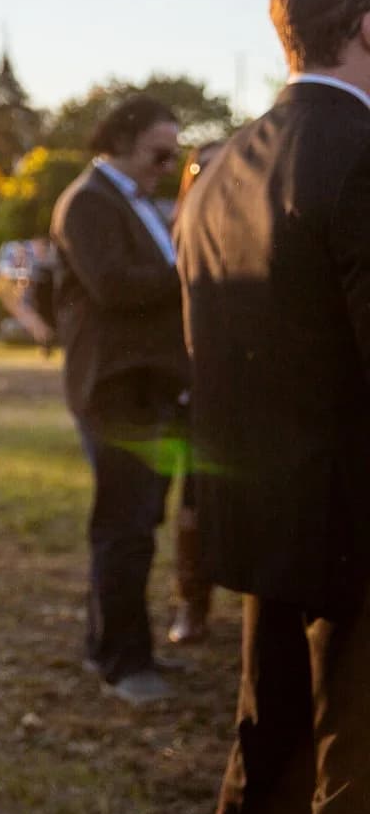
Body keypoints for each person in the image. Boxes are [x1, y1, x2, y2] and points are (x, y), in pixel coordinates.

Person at [182, 0, 370, 814]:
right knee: (355, 782)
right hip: (355, 522)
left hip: (266, 516)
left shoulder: (218, 166)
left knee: (270, 746)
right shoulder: (361, 152)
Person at [50, 94, 186, 705]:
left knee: (139, 522)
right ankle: (124, 663)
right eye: (162, 151)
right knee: (124, 526)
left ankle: (109, 644)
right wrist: (195, 268)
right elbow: (112, 286)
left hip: (148, 386)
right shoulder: (87, 203)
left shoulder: (136, 204)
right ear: (127, 137)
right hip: (113, 387)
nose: (168, 164)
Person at [165, 139, 225, 645]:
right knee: (195, 495)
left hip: (249, 374)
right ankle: (191, 600)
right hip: (195, 377)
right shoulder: (177, 228)